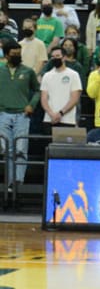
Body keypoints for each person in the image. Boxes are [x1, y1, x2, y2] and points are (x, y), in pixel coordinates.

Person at [0, 40, 40, 186]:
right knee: (7, 150)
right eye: (13, 54)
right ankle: (10, 183)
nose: (17, 56)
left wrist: (31, 105)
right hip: (3, 114)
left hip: (22, 115)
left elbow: (37, 90)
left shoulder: (28, 71)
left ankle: (18, 182)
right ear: (6, 55)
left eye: (18, 54)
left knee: (21, 149)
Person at [40, 46, 82, 134]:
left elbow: (74, 98)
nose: (55, 58)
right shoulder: (47, 76)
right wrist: (51, 114)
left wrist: (60, 113)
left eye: (57, 56)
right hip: (49, 119)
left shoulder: (73, 75)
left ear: (64, 57)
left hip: (67, 120)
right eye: (53, 56)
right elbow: (44, 98)